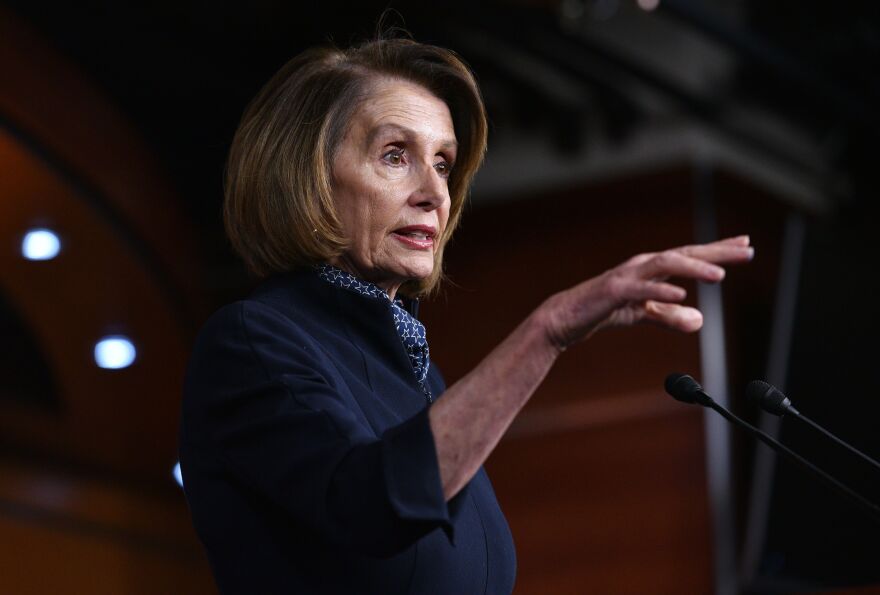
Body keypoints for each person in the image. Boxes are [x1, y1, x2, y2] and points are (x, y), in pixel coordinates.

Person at [178, 37, 753, 595]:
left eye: (444, 164)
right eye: (395, 155)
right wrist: (547, 331)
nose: (434, 192)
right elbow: (374, 506)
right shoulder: (252, 343)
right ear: (306, 175)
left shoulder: (418, 374)